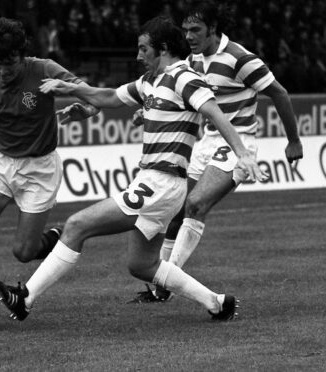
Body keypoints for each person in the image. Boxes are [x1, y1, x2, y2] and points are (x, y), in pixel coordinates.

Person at [0, 16, 266, 322]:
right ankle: (217, 303)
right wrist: (66, 87)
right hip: (160, 185)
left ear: (162, 49)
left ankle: (25, 299)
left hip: (160, 183)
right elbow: (107, 97)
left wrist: (243, 154)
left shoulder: (184, 78)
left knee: (77, 225)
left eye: (143, 49)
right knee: (142, 265)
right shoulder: (151, 82)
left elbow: (215, 112)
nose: (138, 56)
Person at [130, 0, 304, 303]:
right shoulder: (192, 61)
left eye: (196, 29)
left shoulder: (240, 59)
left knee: (196, 205)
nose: (189, 36)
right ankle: (163, 282)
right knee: (175, 210)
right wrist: (149, 111)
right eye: (185, 30)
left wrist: (293, 141)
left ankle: (165, 281)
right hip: (206, 143)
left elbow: (279, 93)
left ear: (213, 29)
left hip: (238, 144)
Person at [0, 18, 98, 291]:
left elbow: (92, 96)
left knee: (24, 252)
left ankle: (60, 236)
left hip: (40, 167)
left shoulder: (44, 69)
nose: (1, 71)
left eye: (9, 65)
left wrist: (86, 111)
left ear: (22, 56)